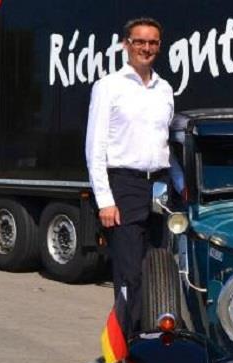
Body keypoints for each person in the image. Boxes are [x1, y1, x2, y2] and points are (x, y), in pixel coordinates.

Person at [85, 17, 174, 335]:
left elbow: (166, 142)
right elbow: (94, 148)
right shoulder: (109, 87)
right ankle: (126, 348)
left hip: (160, 186)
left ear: (159, 47)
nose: (146, 48)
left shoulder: (165, 89)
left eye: (152, 42)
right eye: (139, 42)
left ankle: (152, 340)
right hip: (124, 186)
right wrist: (105, 200)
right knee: (129, 274)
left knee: (157, 271)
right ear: (126, 44)